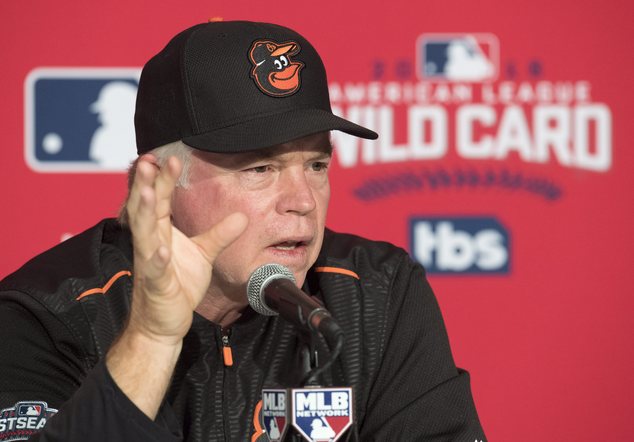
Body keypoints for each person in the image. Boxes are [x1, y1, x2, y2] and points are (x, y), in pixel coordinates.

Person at [0, 21, 486, 441]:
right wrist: (150, 338)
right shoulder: (49, 313)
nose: (302, 201)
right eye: (260, 169)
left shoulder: (374, 293)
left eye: (316, 164)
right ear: (159, 186)